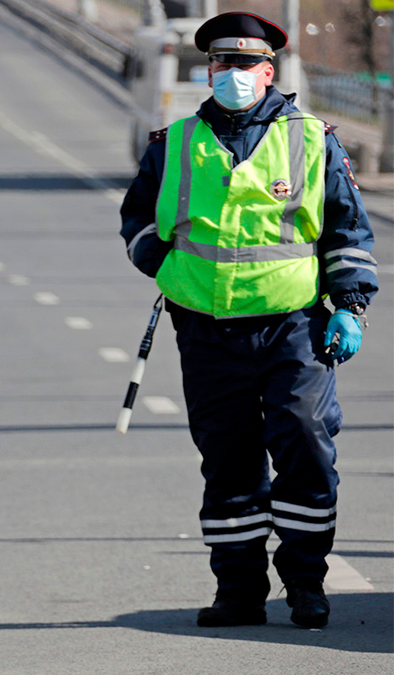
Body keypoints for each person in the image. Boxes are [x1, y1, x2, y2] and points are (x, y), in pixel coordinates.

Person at [120, 12, 379, 629]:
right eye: (220, 63)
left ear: (269, 72)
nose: (231, 74)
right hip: (206, 327)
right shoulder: (173, 143)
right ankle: (237, 590)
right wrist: (161, 265)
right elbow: (137, 220)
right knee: (228, 457)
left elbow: (347, 230)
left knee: (306, 443)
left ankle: (308, 586)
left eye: (244, 64)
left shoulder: (313, 139)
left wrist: (350, 305)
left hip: (293, 325)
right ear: (207, 70)